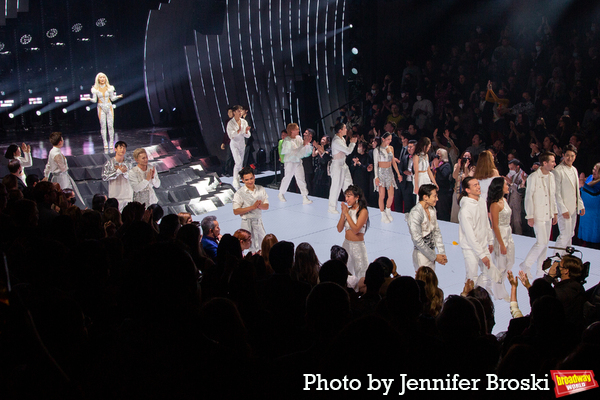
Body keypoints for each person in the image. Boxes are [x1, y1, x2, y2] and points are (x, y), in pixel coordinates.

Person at [458, 177, 502, 292]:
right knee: (471, 276)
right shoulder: (465, 209)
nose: (478, 187)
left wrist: (490, 240)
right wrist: (482, 255)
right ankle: (467, 298)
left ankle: (481, 295)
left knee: (489, 272)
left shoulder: (482, 201)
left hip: (482, 245)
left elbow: (486, 222)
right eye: (474, 185)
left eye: (478, 184)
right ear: (467, 190)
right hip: (469, 248)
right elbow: (470, 235)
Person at [520, 152, 558, 280]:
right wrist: (529, 215)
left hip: (548, 214)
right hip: (537, 215)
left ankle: (540, 269)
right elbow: (528, 197)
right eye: (552, 161)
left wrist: (555, 212)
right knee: (541, 242)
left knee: (545, 243)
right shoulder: (533, 177)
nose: (554, 163)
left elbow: (553, 196)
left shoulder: (552, 176)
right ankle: (526, 264)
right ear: (545, 163)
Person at [553, 145, 585, 255]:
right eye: (567, 155)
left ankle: (566, 257)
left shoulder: (574, 169)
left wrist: (580, 205)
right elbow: (556, 193)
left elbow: (576, 190)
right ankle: (556, 258)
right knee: (565, 234)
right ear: (563, 155)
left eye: (572, 156)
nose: (570, 158)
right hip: (564, 208)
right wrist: (562, 209)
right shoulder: (558, 171)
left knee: (570, 233)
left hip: (573, 208)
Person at [406, 184, 447, 271]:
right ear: (425, 197)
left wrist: (441, 253)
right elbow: (417, 240)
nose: (437, 199)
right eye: (434, 196)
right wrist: (435, 257)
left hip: (431, 253)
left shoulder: (432, 210)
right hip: (421, 256)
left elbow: (436, 231)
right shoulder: (415, 213)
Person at [487, 177, 513, 302]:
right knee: (501, 265)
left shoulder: (504, 200)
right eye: (506, 185)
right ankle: (499, 292)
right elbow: (495, 226)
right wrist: (501, 244)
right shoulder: (494, 205)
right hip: (500, 235)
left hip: (508, 233)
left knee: (508, 262)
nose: (508, 186)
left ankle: (500, 288)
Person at [232, 166, 269, 253]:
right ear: (242, 180)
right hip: (246, 223)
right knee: (247, 247)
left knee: (262, 245)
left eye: (251, 178)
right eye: (247, 179)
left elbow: (266, 206)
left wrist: (259, 206)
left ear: (254, 177)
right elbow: (236, 211)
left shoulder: (260, 189)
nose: (250, 181)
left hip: (258, 221)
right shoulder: (239, 193)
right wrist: (252, 207)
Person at [336, 185, 369, 278]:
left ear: (357, 197)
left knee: (361, 272)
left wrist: (347, 214)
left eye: (349, 196)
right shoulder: (348, 210)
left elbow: (356, 229)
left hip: (358, 245)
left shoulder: (363, 211)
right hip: (346, 244)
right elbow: (339, 229)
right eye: (346, 196)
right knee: (344, 271)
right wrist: (343, 214)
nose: (347, 199)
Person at [43, 132, 84, 205]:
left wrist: (46, 175)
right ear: (59, 142)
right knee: (64, 196)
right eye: (62, 139)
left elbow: (48, 165)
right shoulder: (57, 154)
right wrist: (65, 161)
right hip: (62, 178)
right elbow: (63, 169)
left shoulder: (52, 151)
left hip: (57, 177)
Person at [87, 72, 123, 152]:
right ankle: (105, 143)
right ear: (98, 79)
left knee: (110, 125)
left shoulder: (110, 88)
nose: (102, 79)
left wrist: (118, 96)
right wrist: (89, 99)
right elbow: (95, 100)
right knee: (103, 126)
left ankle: (111, 143)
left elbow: (112, 98)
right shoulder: (95, 89)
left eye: (103, 77)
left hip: (109, 107)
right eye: (100, 77)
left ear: (105, 78)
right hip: (100, 107)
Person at [278, 123, 313, 204]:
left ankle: (305, 196)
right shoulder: (287, 140)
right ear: (292, 131)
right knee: (287, 178)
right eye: (296, 129)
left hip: (298, 161)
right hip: (290, 162)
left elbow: (302, 150)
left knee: (301, 178)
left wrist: (306, 143)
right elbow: (294, 150)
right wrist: (304, 144)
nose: (298, 130)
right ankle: (281, 193)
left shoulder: (299, 138)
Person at [328, 123, 357, 214]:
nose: (346, 129)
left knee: (349, 185)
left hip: (343, 165)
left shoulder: (342, 139)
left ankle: (352, 205)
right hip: (337, 165)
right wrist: (352, 143)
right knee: (336, 186)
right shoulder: (336, 141)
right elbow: (348, 151)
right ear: (340, 130)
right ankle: (332, 207)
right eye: (344, 128)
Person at [373, 132, 401, 223]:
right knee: (382, 195)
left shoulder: (391, 148)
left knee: (391, 195)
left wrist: (398, 173)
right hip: (381, 172)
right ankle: (382, 214)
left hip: (389, 172)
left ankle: (388, 210)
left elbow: (393, 162)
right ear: (383, 139)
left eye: (390, 139)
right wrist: (376, 177)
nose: (389, 141)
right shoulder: (377, 150)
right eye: (388, 139)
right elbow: (375, 164)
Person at [102, 141, 134, 211]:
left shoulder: (129, 162)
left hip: (127, 195)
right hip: (115, 195)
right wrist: (117, 172)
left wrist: (124, 173)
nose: (122, 150)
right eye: (120, 147)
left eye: (124, 148)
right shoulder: (109, 163)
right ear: (115, 149)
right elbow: (104, 177)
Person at [226, 105, 251, 190]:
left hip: (241, 143)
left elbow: (247, 135)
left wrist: (246, 131)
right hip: (234, 143)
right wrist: (237, 131)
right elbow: (231, 135)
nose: (240, 113)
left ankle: (237, 180)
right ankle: (235, 180)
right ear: (234, 112)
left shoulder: (244, 122)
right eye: (238, 111)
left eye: (241, 111)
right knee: (238, 161)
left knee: (240, 164)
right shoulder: (230, 123)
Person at [578, 163, 600, 245]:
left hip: (595, 215)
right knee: (585, 237)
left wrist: (583, 184)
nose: (593, 171)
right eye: (593, 169)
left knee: (594, 236)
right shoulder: (590, 177)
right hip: (586, 213)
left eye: (596, 170)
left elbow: (595, 193)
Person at [451, 151, 473, 223]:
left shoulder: (473, 168)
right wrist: (458, 166)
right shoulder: (457, 165)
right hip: (456, 191)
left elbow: (468, 179)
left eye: (468, 157)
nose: (466, 158)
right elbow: (454, 176)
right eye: (465, 156)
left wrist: (466, 168)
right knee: (455, 211)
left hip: (466, 194)